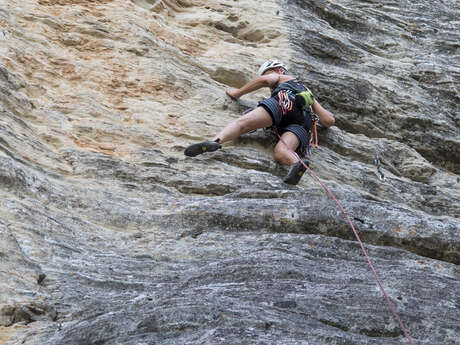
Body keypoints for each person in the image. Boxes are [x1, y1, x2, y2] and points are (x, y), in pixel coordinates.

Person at [184, 60, 335, 185]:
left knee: (242, 123)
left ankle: (215, 141)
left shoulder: (282, 78)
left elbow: (264, 80)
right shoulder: (307, 92)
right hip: (304, 121)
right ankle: (296, 162)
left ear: (280, 70)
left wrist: (237, 93)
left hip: (284, 102)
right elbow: (328, 120)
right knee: (282, 151)